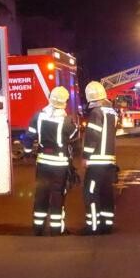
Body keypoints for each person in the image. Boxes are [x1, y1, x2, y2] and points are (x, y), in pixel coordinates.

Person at [23, 86, 79, 236]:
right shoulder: (67, 121)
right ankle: (56, 229)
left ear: (50, 98)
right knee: (57, 195)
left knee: (41, 193)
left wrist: (28, 153)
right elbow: (74, 136)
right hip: (60, 164)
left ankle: (38, 228)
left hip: (43, 163)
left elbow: (29, 137)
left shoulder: (38, 116)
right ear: (64, 102)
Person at [82, 81, 119, 235]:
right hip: (109, 161)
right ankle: (107, 225)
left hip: (97, 161)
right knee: (106, 193)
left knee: (90, 193)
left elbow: (93, 136)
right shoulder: (112, 113)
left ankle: (93, 226)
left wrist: (86, 156)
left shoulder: (96, 113)